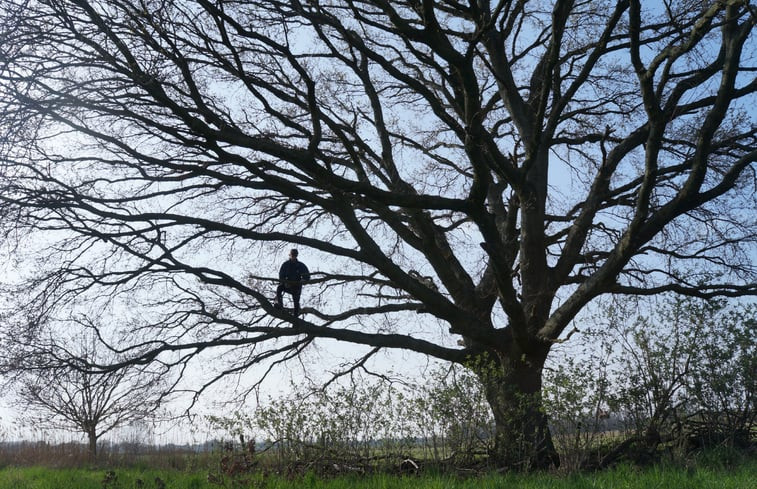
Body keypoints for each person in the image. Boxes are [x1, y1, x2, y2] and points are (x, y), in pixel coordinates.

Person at [274, 248, 310, 315]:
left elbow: (307, 276)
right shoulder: (285, 265)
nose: (293, 257)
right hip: (287, 285)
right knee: (279, 288)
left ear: (296, 256)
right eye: (292, 255)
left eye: (295, 255)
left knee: (296, 302)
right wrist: (285, 283)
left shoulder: (301, 265)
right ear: (290, 255)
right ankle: (280, 306)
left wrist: (303, 280)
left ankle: (295, 317)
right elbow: (281, 275)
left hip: (296, 287)